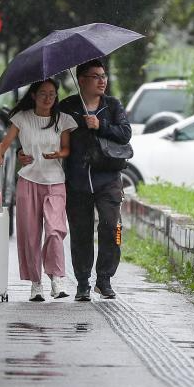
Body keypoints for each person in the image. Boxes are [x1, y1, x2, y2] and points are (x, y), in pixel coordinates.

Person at [0, 79, 78, 301]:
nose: (48, 98)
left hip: (55, 181)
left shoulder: (63, 120)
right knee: (29, 235)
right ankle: (35, 284)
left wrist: (59, 154)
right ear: (33, 95)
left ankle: (57, 279)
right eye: (43, 93)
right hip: (28, 180)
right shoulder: (22, 118)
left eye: (52, 94)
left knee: (54, 231)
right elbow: (5, 144)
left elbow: (67, 148)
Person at [58, 59, 131, 300]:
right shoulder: (68, 107)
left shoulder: (112, 105)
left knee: (113, 227)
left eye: (104, 76)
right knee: (81, 232)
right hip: (77, 180)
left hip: (108, 179)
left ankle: (104, 279)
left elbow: (125, 133)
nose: (102, 80)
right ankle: (82, 282)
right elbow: (52, 134)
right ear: (81, 81)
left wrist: (101, 125)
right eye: (96, 76)